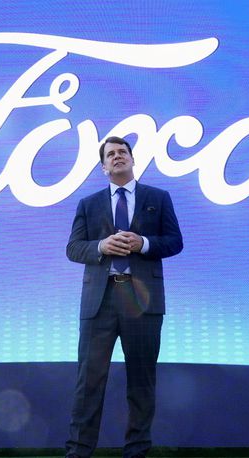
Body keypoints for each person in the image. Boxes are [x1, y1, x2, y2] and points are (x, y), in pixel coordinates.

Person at [65, 136, 183, 458]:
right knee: (88, 382)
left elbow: (174, 242)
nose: (118, 157)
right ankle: (78, 452)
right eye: (111, 154)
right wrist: (100, 247)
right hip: (99, 302)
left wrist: (143, 243)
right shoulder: (88, 204)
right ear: (104, 167)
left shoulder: (158, 198)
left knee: (141, 382)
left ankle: (137, 452)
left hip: (142, 302)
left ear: (132, 160)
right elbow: (73, 249)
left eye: (123, 152)